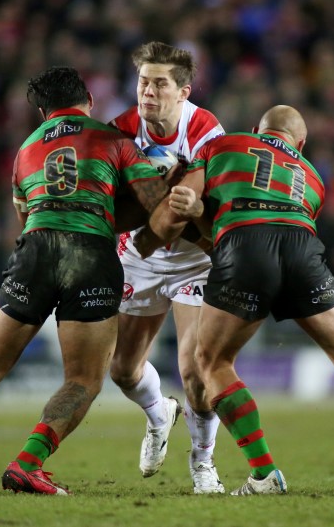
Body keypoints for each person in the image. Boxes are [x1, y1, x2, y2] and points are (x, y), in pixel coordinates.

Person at [134, 105, 334, 495]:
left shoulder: (226, 144)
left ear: (258, 129)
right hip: (302, 250)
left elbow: (211, 217)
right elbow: (283, 220)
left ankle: (264, 474)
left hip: (246, 246)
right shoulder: (313, 178)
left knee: (211, 361)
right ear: (301, 145)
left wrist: (156, 231)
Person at [0, 66, 172, 496]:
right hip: (90, 254)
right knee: (83, 378)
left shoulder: (25, 149)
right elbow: (158, 206)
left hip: (35, 249)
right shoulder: (111, 139)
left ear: (43, 112)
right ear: (89, 101)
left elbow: (24, 217)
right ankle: (29, 462)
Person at [109, 41, 227, 494]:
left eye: (160, 84)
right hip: (139, 256)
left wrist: (196, 206)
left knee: (198, 369)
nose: (148, 92)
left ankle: (203, 464)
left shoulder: (206, 131)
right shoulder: (120, 130)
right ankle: (160, 413)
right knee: (121, 369)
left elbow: (214, 207)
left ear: (183, 91)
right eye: (143, 82)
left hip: (193, 260)